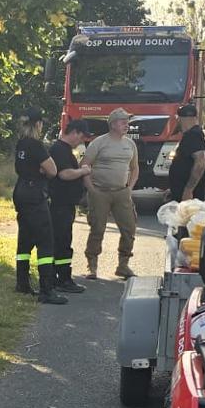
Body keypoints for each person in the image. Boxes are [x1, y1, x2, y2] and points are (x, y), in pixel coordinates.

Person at [11, 108, 66, 305]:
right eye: (41, 123)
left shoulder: (20, 144)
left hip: (21, 191)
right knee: (45, 241)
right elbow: (52, 170)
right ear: (37, 124)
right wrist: (43, 170)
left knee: (25, 239)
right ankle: (46, 289)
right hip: (35, 194)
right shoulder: (36, 145)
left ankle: (22, 282)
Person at [81, 108, 139, 279]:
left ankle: (123, 265)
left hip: (121, 192)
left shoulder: (130, 144)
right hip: (100, 192)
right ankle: (92, 265)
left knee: (129, 229)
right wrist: (91, 189)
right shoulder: (99, 142)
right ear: (113, 124)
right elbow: (84, 166)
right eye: (123, 122)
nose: (126, 125)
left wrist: (130, 188)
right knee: (97, 228)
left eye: (127, 122)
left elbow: (134, 168)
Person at [47, 122, 94, 293]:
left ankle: (56, 277)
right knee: (62, 241)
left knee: (61, 241)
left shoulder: (63, 149)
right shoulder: (60, 150)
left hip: (63, 204)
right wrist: (83, 171)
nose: (81, 142)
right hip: (60, 204)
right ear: (74, 132)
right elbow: (64, 174)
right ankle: (63, 279)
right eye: (81, 137)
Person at [168, 104, 205, 204]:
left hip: (188, 197)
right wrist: (173, 190)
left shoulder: (193, 135)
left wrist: (188, 190)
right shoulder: (194, 133)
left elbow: (200, 163)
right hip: (182, 194)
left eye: (178, 118)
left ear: (181, 119)